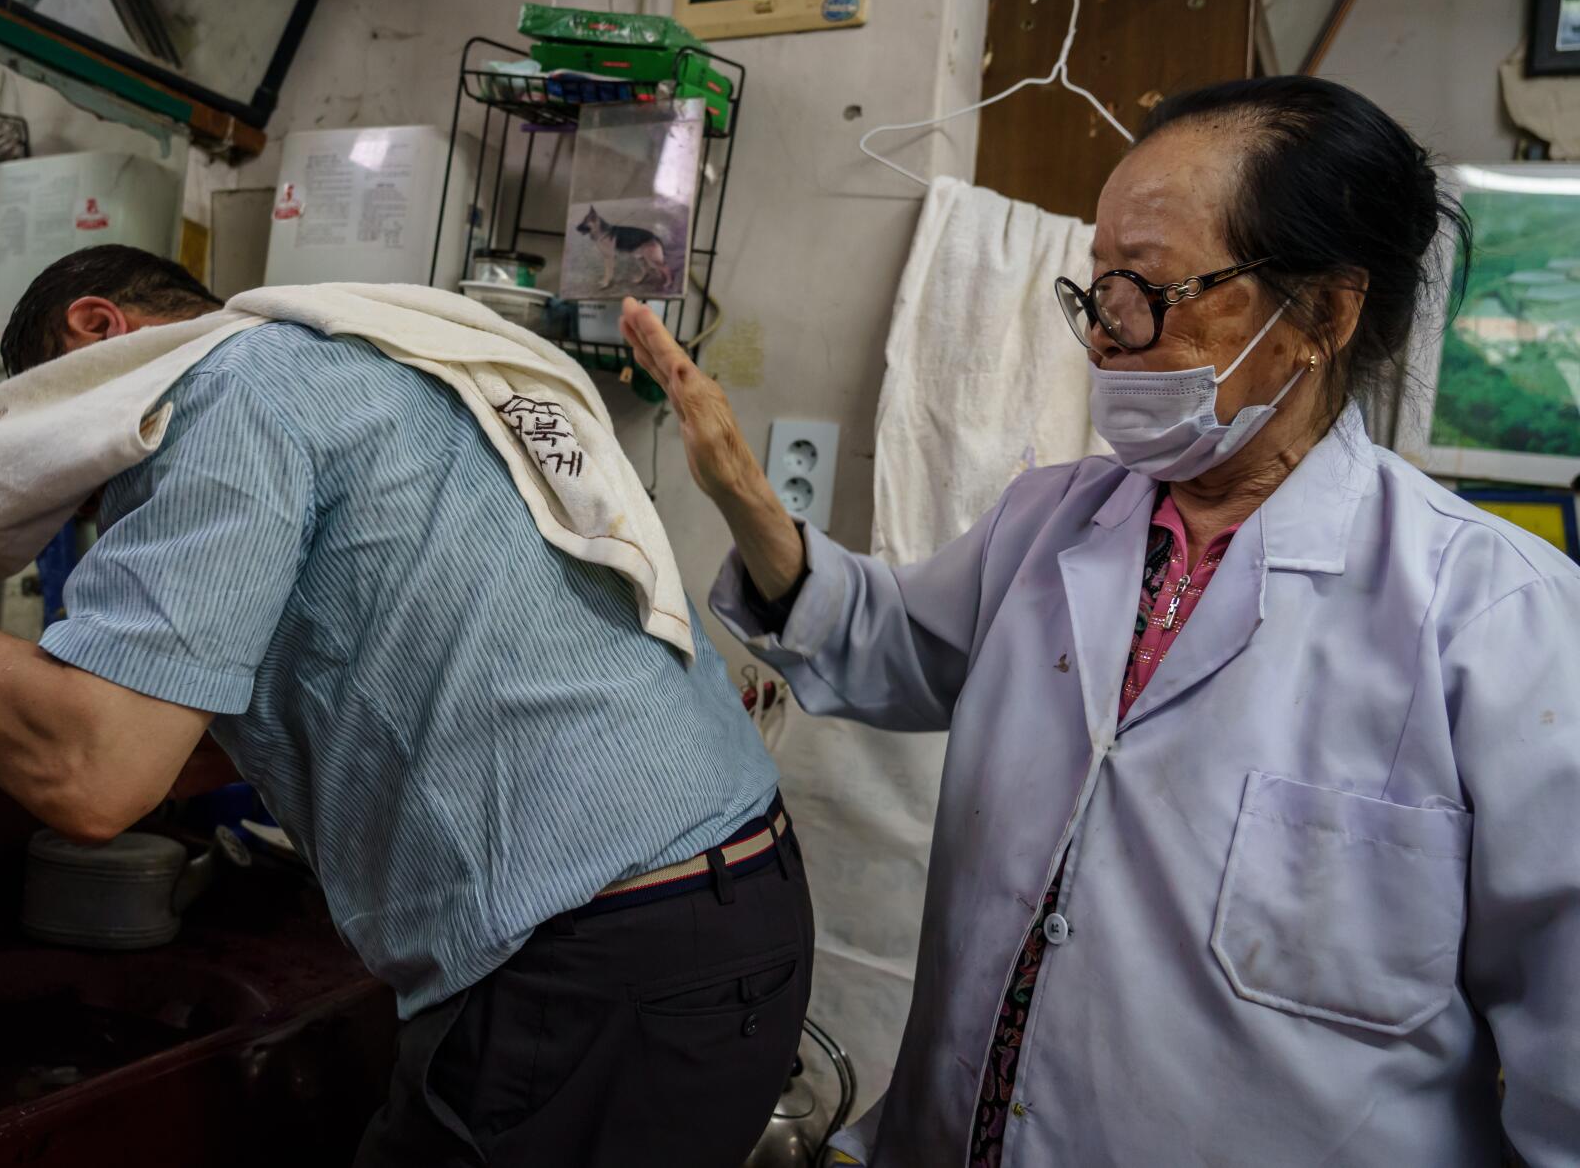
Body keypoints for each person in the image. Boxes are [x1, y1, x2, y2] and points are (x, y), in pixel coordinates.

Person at [624, 76, 1580, 1166]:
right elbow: (891, 645)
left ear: (1319, 313)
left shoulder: (1493, 620)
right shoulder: (1052, 518)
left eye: (1149, 292)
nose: (1104, 337)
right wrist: (751, 505)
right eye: (1096, 291)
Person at [0, 245, 812, 1167]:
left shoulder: (225, 388)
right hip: (732, 904)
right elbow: (320, 683)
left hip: (596, 959)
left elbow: (93, 775)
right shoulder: (384, 360)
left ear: (95, 332)